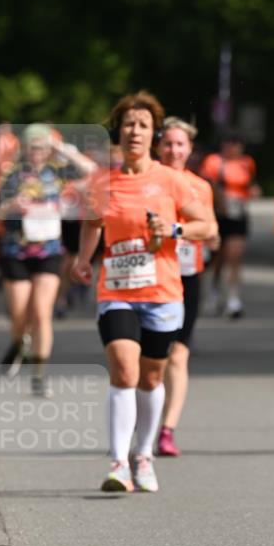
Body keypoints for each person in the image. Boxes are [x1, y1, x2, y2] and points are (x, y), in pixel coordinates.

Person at [71, 91, 213, 493]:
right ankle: (118, 463)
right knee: (123, 369)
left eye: (144, 125)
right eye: (130, 124)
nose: (135, 131)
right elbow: (93, 223)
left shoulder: (171, 180)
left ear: (154, 135)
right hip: (115, 289)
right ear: (120, 131)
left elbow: (207, 227)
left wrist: (173, 231)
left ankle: (144, 455)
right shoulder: (103, 181)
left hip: (163, 292)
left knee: (151, 378)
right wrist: (83, 258)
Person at [0, 124, 96, 395]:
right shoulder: (11, 175)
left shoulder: (58, 172)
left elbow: (91, 172)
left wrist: (61, 148)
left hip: (48, 250)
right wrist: (12, 206)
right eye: (33, 146)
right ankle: (19, 344)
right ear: (24, 148)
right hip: (16, 250)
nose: (38, 152)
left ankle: (38, 374)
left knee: (41, 312)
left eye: (42, 147)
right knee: (18, 315)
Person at [156, 117, 218, 457]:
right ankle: (145, 417)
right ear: (159, 147)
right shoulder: (146, 182)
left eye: (180, 144)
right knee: (150, 356)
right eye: (168, 143)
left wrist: (207, 234)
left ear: (189, 149)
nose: (174, 150)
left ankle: (167, 429)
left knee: (178, 354)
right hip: (150, 277)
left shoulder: (200, 187)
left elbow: (209, 228)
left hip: (187, 275)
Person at [200, 131, 260, 318]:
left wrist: (252, 192)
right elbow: (207, 184)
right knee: (217, 259)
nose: (233, 147)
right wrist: (220, 201)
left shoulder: (246, 163)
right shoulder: (213, 161)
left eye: (237, 143)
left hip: (238, 214)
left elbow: (249, 184)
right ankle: (214, 290)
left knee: (235, 256)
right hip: (218, 215)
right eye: (230, 142)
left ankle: (233, 299)